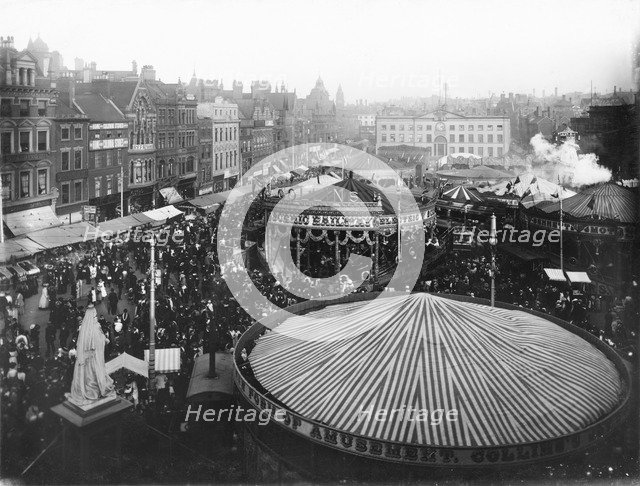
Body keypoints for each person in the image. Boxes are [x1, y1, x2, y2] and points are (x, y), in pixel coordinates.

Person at [68, 304, 115, 407]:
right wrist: (104, 340)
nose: (96, 318)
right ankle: (95, 390)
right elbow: (97, 342)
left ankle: (92, 388)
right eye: (95, 316)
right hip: (93, 357)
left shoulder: (84, 328)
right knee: (93, 374)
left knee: (89, 375)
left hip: (87, 358)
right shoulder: (94, 327)